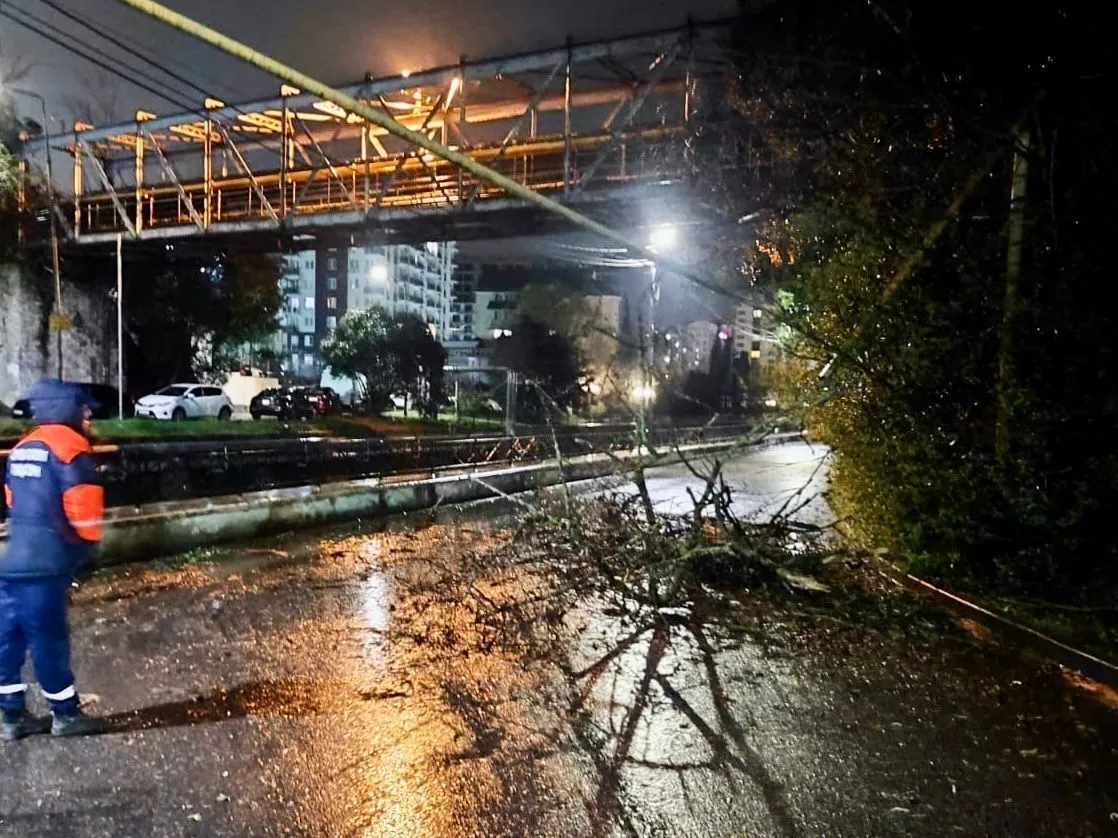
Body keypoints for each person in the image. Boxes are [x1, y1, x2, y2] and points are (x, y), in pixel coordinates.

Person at [0, 379, 105, 740]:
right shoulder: (71, 449)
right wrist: (84, 548)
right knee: (49, 639)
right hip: (47, 563)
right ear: (68, 410)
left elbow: (11, 497)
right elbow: (84, 507)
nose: (89, 416)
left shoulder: (22, 447)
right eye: (84, 409)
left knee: (8, 638)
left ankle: (11, 718)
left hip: (13, 561)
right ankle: (65, 714)